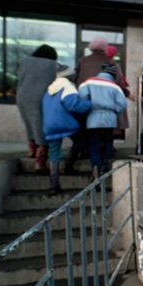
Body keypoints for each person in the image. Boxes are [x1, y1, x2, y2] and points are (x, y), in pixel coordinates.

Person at [41, 64, 91, 195]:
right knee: (81, 140)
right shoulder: (67, 87)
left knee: (54, 153)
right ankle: (69, 166)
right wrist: (89, 103)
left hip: (49, 125)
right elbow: (74, 106)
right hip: (64, 123)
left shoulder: (49, 90)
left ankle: (54, 184)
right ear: (69, 76)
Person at [78, 64, 127, 180]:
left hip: (93, 119)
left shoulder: (88, 83)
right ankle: (104, 165)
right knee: (107, 142)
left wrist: (89, 108)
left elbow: (82, 99)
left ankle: (95, 168)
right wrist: (114, 110)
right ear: (113, 75)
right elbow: (122, 104)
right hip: (110, 119)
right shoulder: (115, 87)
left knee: (95, 144)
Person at [16, 44, 58, 171]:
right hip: (41, 96)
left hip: (22, 95)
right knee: (40, 124)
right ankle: (40, 158)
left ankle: (32, 149)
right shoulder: (52, 65)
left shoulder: (25, 62)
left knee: (29, 123)